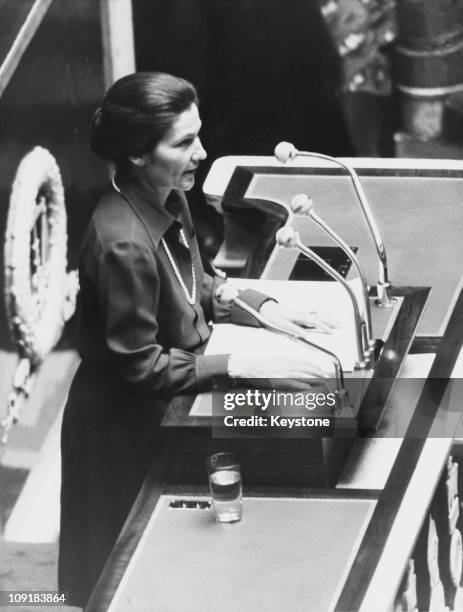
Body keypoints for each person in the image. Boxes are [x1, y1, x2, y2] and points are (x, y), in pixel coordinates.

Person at [58, 72, 333, 607]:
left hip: (166, 400)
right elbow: (142, 368)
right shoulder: (123, 246)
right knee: (122, 577)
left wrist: (261, 307)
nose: (201, 153)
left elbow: (194, 282)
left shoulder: (166, 195)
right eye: (184, 143)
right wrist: (233, 363)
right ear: (138, 154)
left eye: (198, 135)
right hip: (122, 429)